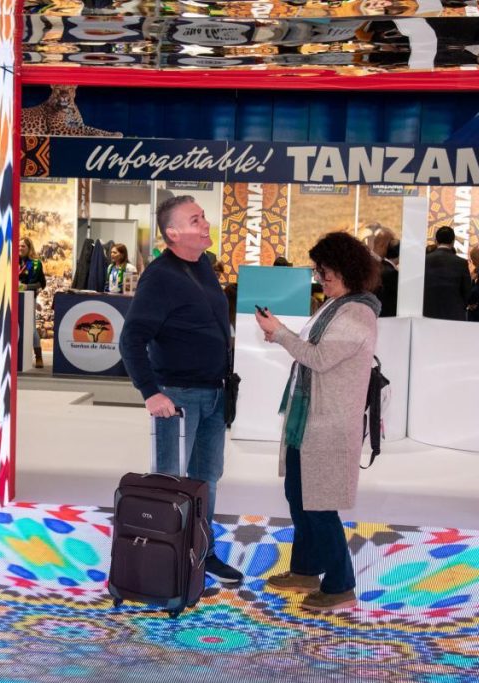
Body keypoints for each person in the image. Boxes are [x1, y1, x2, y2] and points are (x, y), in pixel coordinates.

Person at [119, 195, 244, 585]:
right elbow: (131, 339)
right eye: (195, 220)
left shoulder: (203, 265)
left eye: (203, 216)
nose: (205, 224)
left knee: (206, 480)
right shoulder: (161, 277)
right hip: (178, 398)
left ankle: (202, 553)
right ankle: (166, 564)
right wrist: (150, 392)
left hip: (214, 394)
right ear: (172, 233)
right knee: (170, 483)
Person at [254, 231, 381, 612]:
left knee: (320, 505)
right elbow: (313, 349)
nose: (320, 278)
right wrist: (281, 334)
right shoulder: (337, 305)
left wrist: (280, 334)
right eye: (318, 271)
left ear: (346, 270)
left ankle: (340, 585)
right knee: (299, 496)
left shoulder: (356, 312)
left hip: (329, 422)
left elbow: (320, 358)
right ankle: (306, 570)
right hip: (309, 419)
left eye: (325, 272)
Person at [423, 226, 471, 321]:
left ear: (436, 241)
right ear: (453, 242)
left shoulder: (425, 260)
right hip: (454, 314)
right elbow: (467, 291)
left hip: (428, 312)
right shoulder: (461, 262)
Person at [18, 237, 47, 368]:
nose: (20, 248)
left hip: (29, 298)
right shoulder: (12, 261)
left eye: (23, 246)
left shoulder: (36, 264)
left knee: (31, 328)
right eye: (19, 246)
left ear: (29, 248)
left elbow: (41, 284)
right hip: (13, 298)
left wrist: (26, 287)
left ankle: (38, 356)